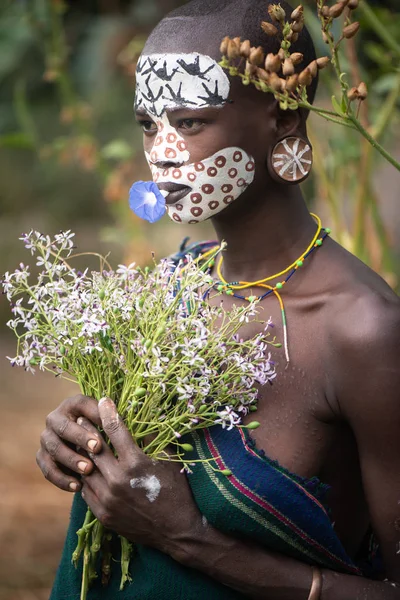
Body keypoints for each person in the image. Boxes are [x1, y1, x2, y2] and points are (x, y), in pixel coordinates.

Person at [37, 1, 400, 598]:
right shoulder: (175, 284)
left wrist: (190, 538)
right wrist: (80, 441)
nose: (163, 151)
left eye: (192, 120)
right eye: (148, 125)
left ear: (285, 120)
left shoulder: (363, 331)